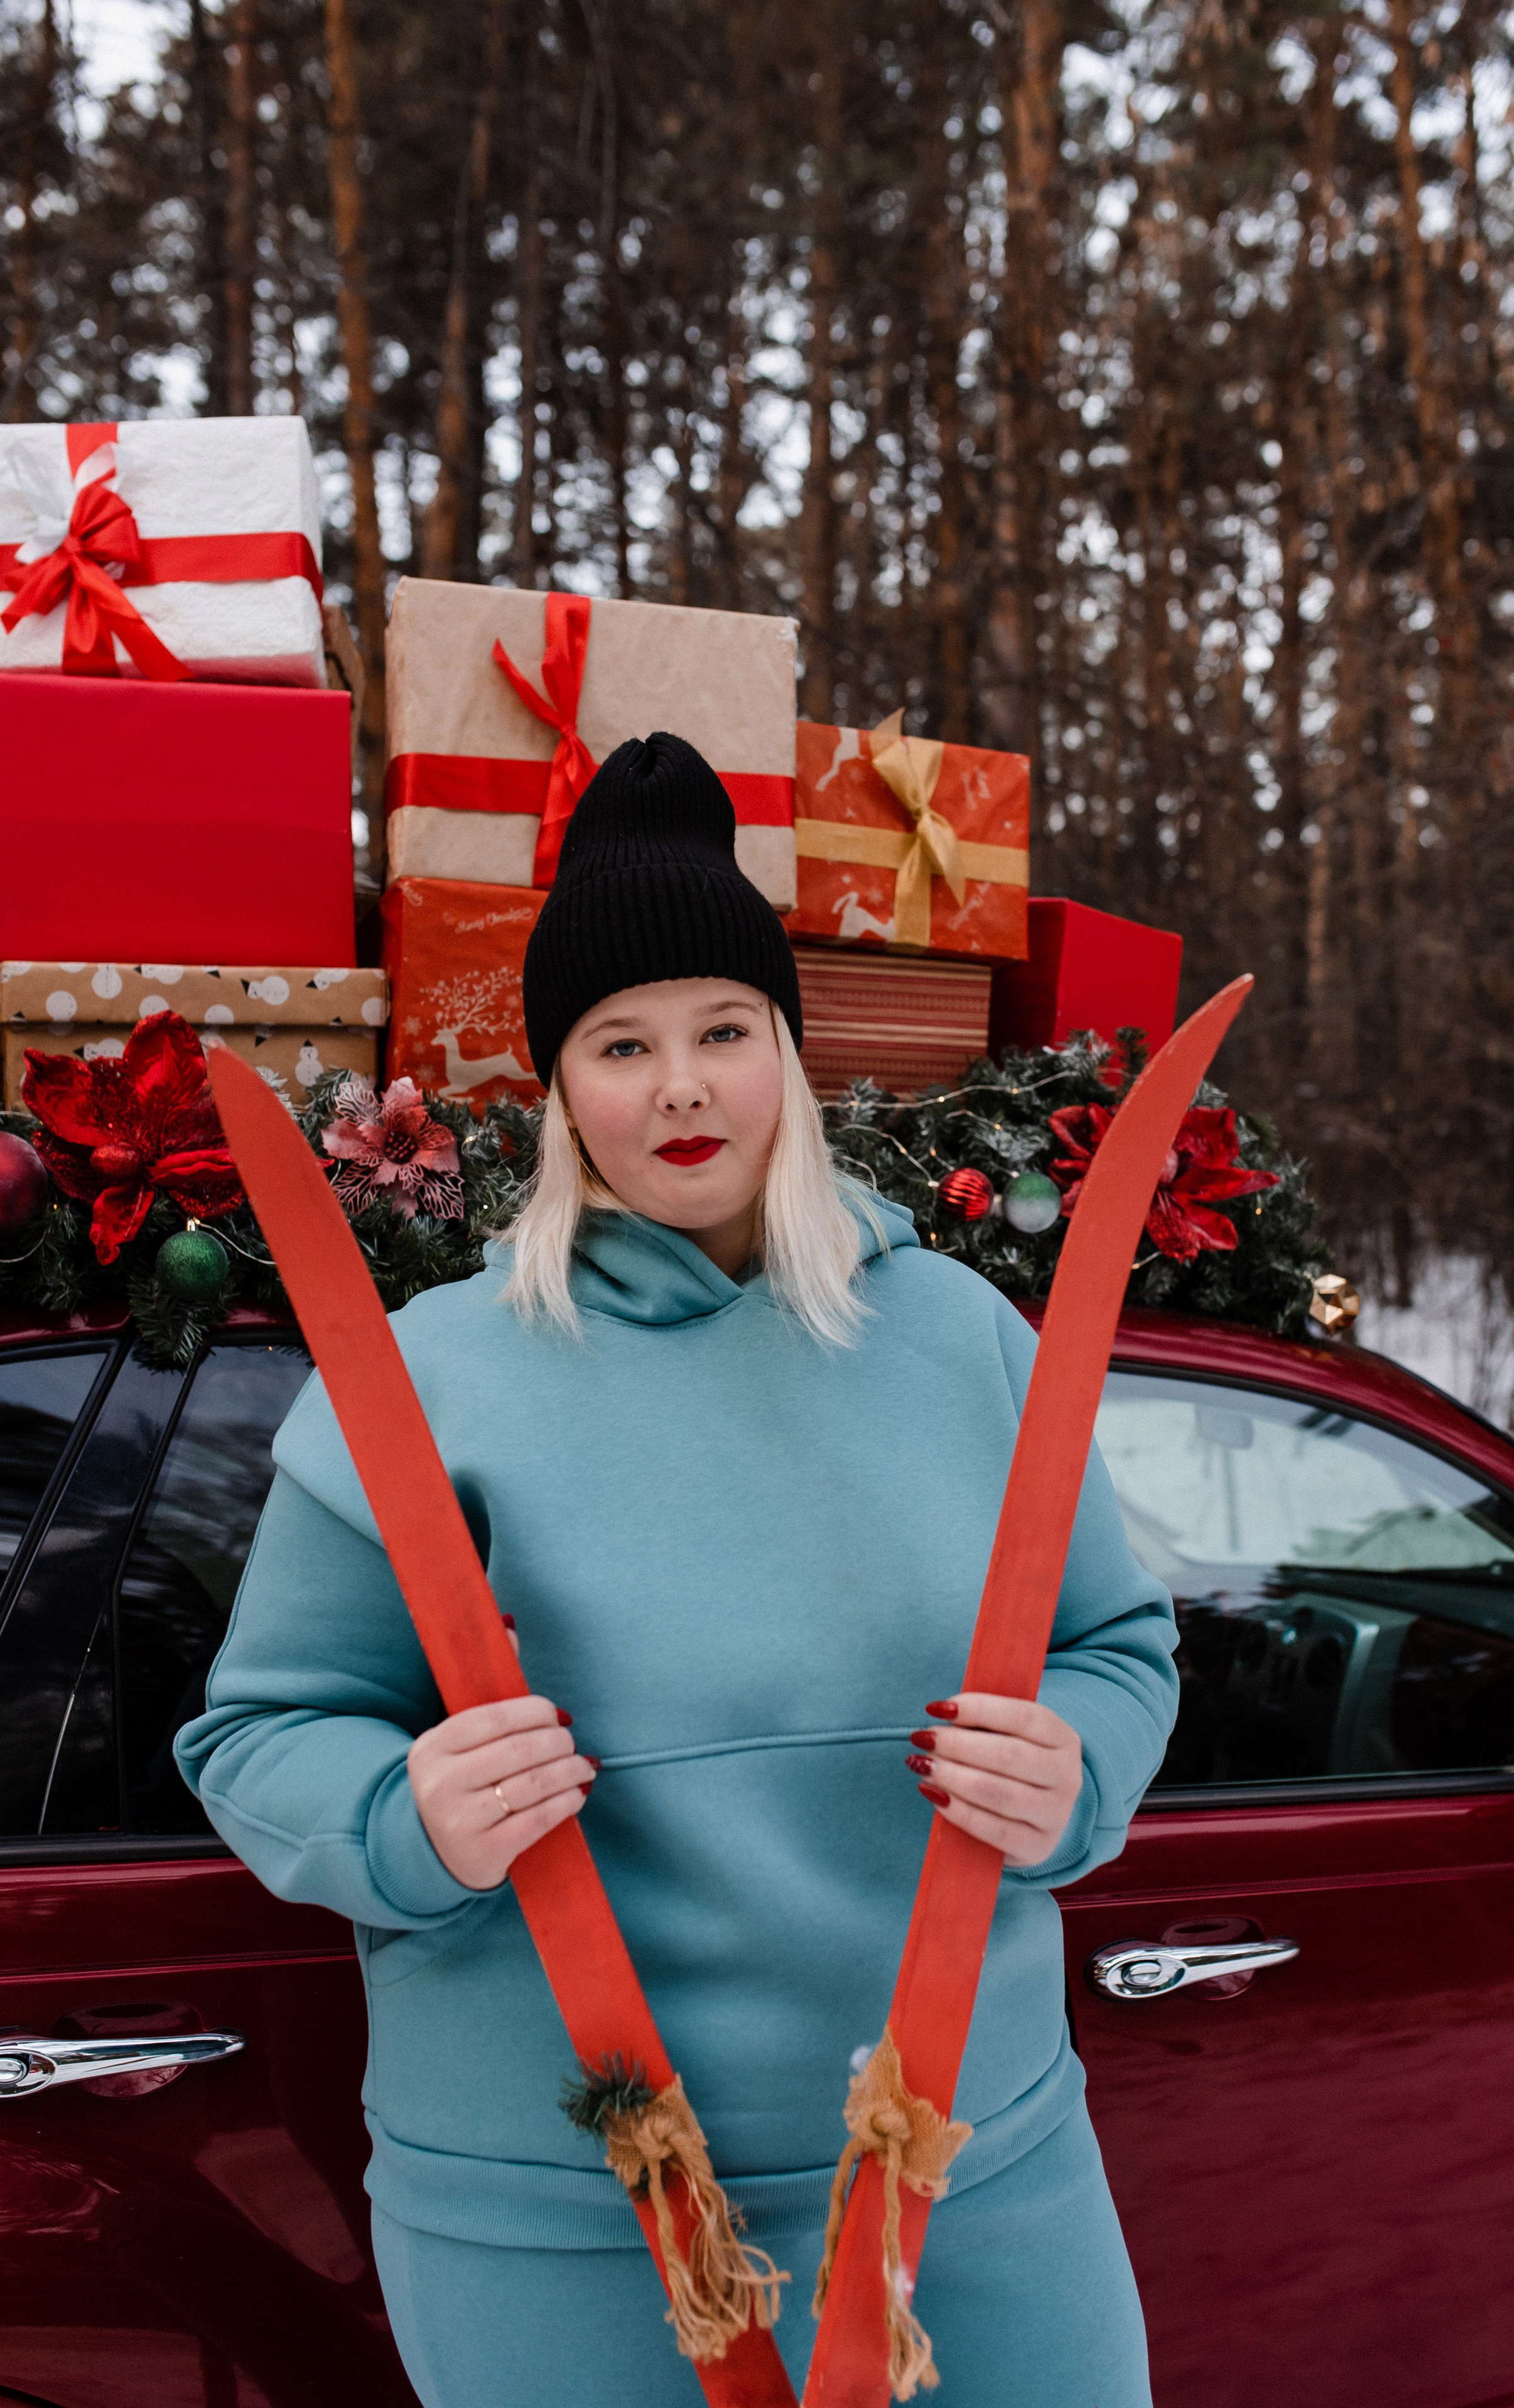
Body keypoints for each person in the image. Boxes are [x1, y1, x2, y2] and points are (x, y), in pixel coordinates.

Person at [177, 732, 1179, 2408]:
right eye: (622, 1044)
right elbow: (259, 1734)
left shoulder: (958, 1341)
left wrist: (1078, 1769)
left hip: (975, 2177)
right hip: (570, 2225)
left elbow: (1120, 1645)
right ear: (561, 1085)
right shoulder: (434, 1375)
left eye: (726, 1030)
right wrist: (400, 1816)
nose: (684, 1088)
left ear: (786, 1050)